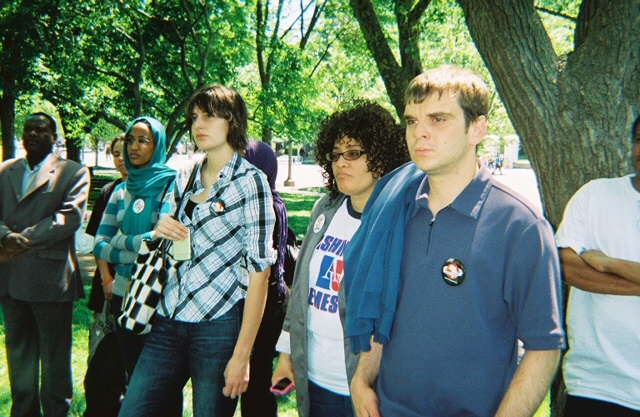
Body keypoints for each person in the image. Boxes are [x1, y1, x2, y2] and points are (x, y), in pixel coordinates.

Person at [344, 66, 566, 417]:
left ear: (477, 128)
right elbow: (381, 307)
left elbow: (544, 347)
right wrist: (361, 380)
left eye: (438, 119)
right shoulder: (395, 210)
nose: (420, 134)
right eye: (412, 122)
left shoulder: (521, 226)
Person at [118, 83, 276, 417]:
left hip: (218, 326)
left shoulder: (252, 182)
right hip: (167, 317)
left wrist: (242, 354)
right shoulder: (184, 176)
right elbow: (165, 239)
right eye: (194, 117)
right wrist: (160, 229)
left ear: (231, 120)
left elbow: (259, 274)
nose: (198, 125)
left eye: (209, 116)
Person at [271, 100, 409, 417]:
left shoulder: (398, 221)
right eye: (335, 155)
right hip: (315, 379)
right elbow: (301, 288)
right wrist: (288, 356)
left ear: (382, 155)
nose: (340, 163)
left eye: (353, 153)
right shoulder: (325, 208)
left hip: (366, 387)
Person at [0, 112, 90, 417]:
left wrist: (20, 239)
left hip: (50, 280)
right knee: (19, 352)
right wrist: (3, 236)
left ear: (55, 138)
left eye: (41, 130)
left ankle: (55, 412)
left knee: (54, 359)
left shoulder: (73, 172)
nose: (33, 134)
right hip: (10, 278)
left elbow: (69, 218)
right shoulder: (5, 170)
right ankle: (23, 411)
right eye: (28, 129)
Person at [92, 117, 181, 416]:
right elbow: (99, 244)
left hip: (158, 297)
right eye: (131, 140)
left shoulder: (171, 184)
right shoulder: (120, 191)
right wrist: (136, 246)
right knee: (133, 376)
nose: (134, 147)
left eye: (144, 140)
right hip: (122, 295)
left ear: (158, 146)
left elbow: (162, 240)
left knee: (163, 383)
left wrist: (122, 242)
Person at [555, 115, 640, 417]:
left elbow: (587, 268)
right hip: (595, 385)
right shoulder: (595, 195)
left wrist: (606, 263)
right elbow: (567, 267)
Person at [240, 140, 291, 417]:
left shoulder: (265, 205)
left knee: (255, 381)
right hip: (272, 301)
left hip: (264, 302)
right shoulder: (275, 200)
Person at [83, 134, 128, 417]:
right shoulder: (108, 191)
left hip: (135, 290)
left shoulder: (152, 190)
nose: (121, 158)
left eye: (125, 153)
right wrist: (105, 278)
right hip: (107, 287)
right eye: (115, 154)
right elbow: (98, 242)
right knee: (102, 357)